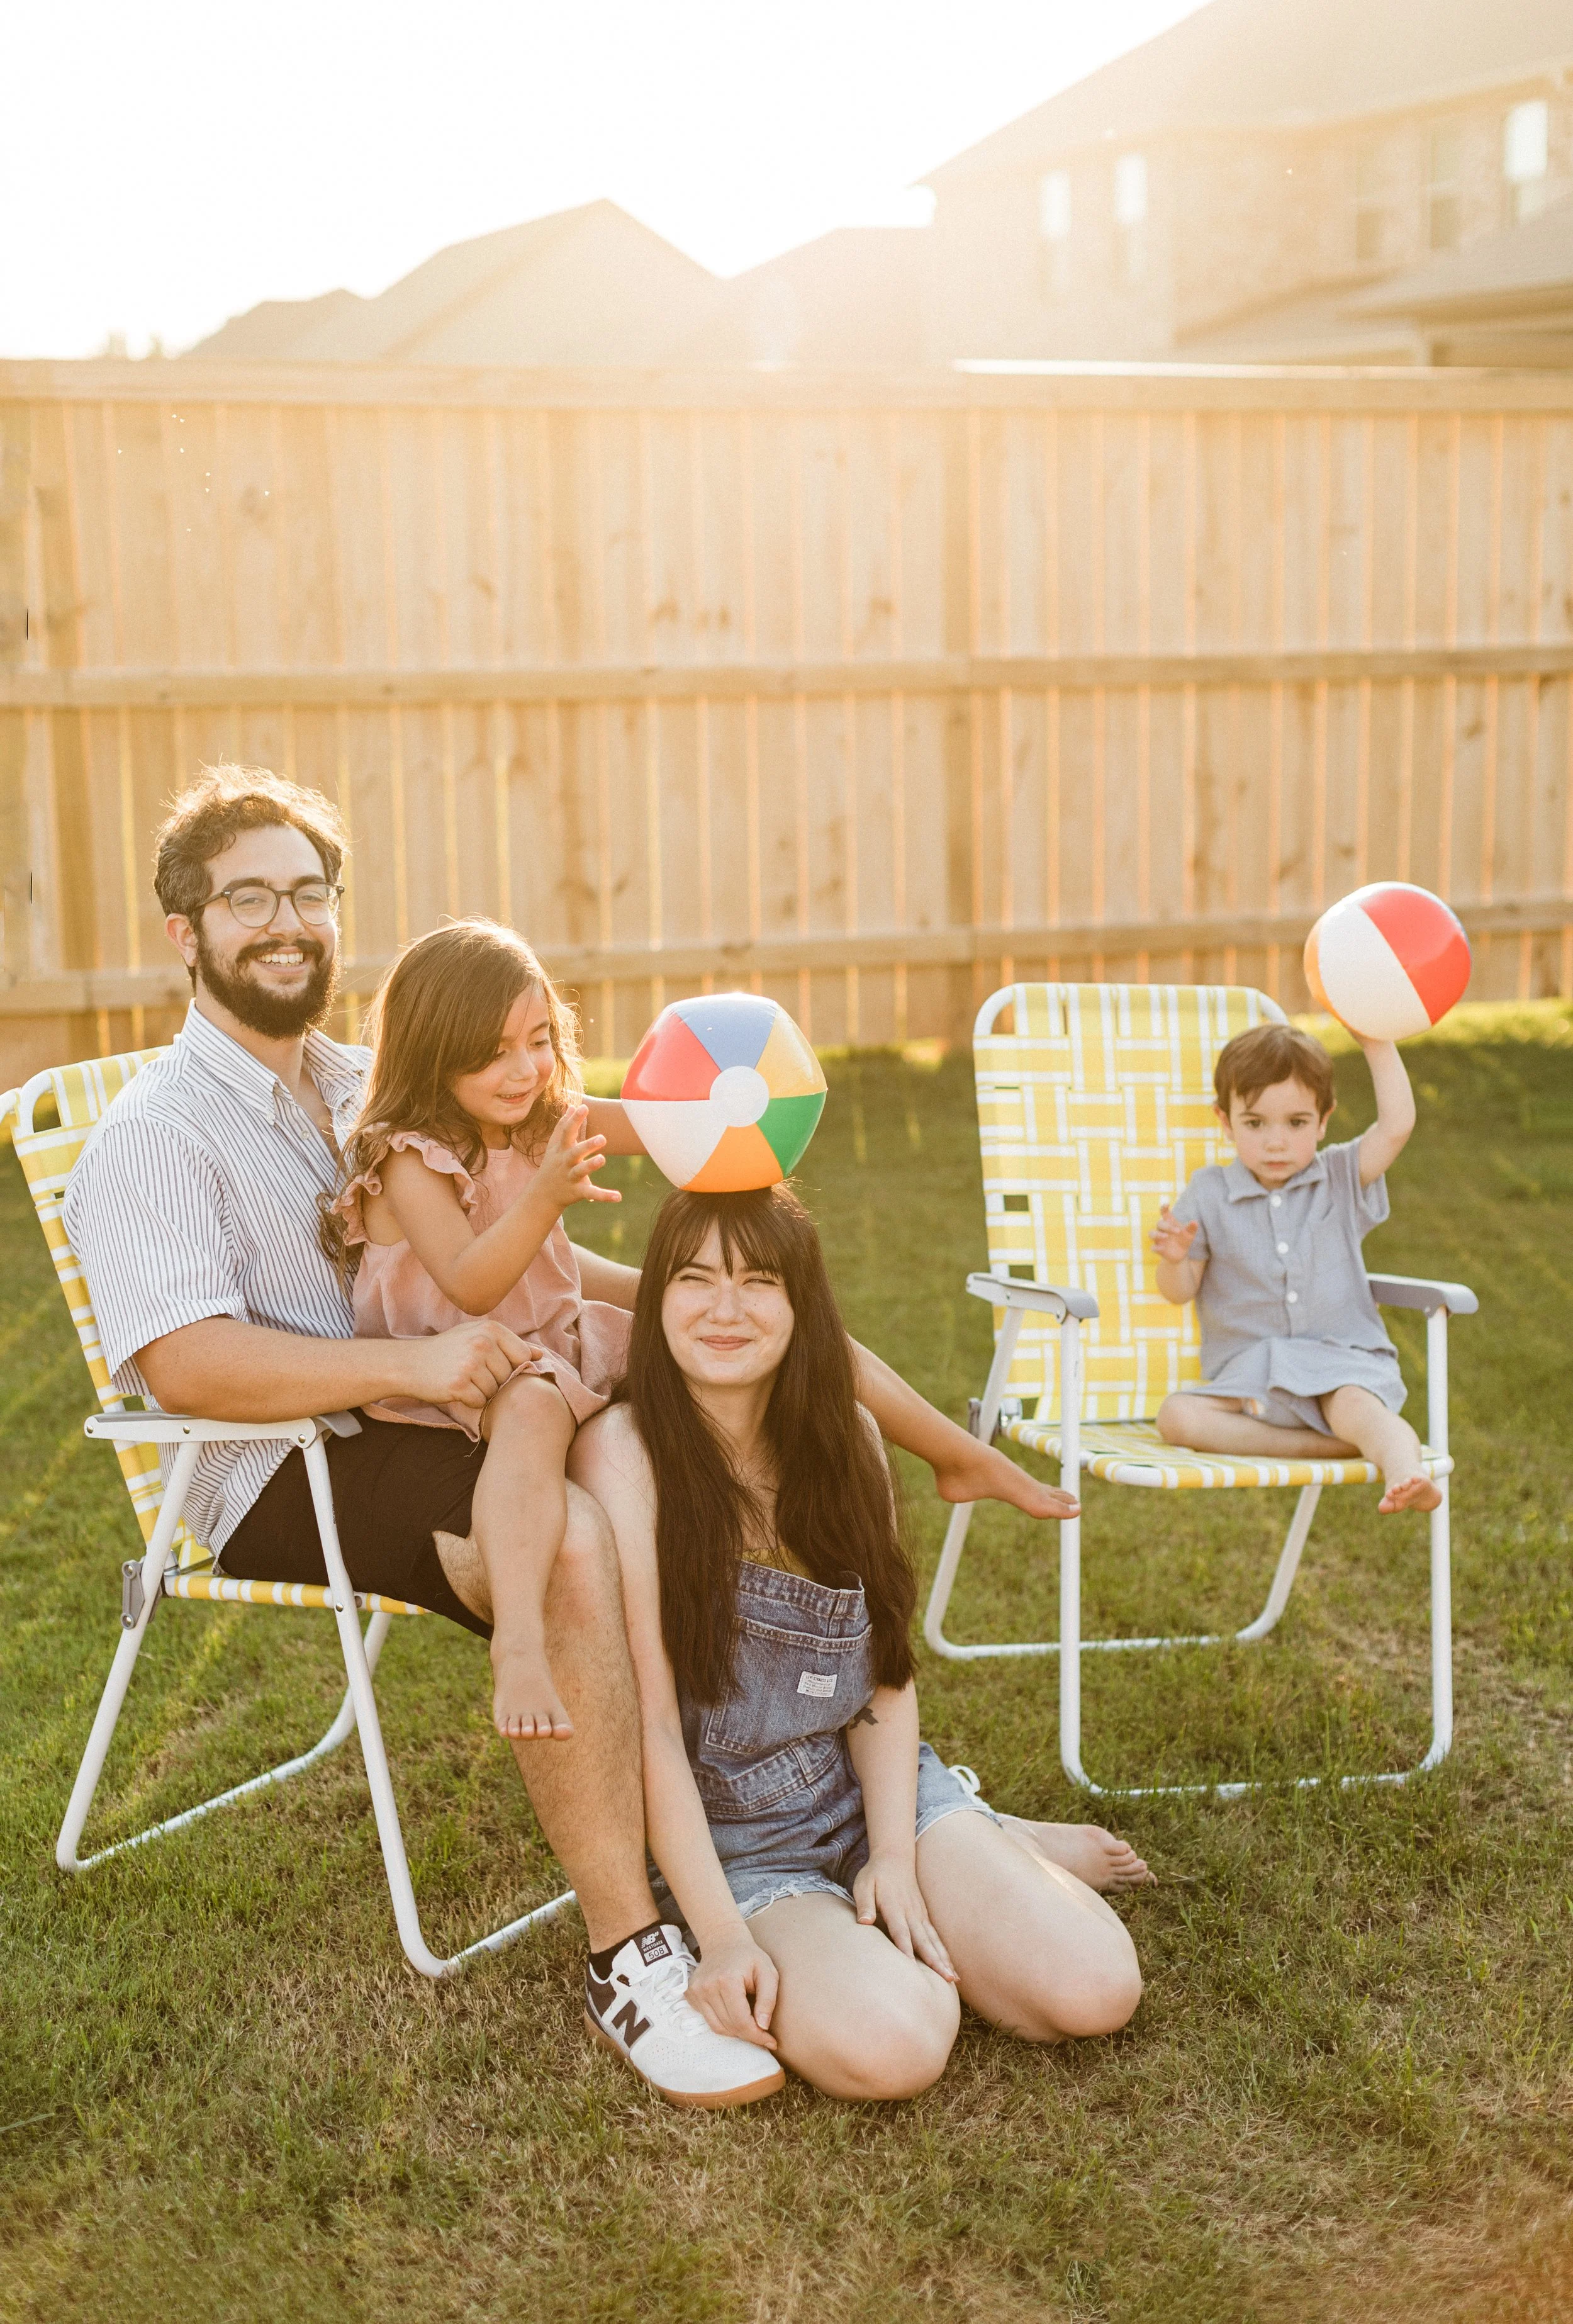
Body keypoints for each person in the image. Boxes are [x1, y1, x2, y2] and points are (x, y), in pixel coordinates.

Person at [65, 761, 1105, 2108]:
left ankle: (876, 1798)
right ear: (185, 931)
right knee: (569, 1533)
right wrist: (421, 1357)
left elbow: (535, 1218)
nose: (284, 920)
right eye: (246, 896)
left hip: (469, 1374)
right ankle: (632, 1946)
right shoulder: (153, 1133)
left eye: (307, 892)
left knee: (732, 1385)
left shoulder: (372, 1072)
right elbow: (186, 1359)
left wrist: (683, 1212)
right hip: (286, 1454)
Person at [571, 1186, 1147, 2102]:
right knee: (898, 2047)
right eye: (694, 1279)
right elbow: (645, 1733)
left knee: (1096, 1990)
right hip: (734, 1842)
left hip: (861, 1784)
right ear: (657, 1298)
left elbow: (882, 1677)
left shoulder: (850, 1440)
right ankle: (968, 1862)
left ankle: (965, 1836)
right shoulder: (623, 1455)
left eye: (758, 1281)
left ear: (804, 1309)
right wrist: (721, 1938)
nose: (725, 1308)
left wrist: (894, 1855)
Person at [329, 918, 634, 1743]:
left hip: (546, 1333)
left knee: (698, 1315)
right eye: (495, 1052)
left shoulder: (530, 1114)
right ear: (434, 1056)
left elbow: (642, 1121)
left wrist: (732, 1123)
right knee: (532, 1410)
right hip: (459, 1367)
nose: (526, 1068)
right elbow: (470, 1281)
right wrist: (546, 1196)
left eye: (539, 1040)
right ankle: (523, 1644)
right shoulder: (407, 1157)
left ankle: (946, 1449)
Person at [1150, 1020, 1441, 1513]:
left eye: (1297, 1123)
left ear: (1324, 1120)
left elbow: (1397, 1126)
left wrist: (1375, 1039)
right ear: (1226, 1121)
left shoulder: (1339, 1176)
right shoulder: (1209, 1192)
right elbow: (1179, 1291)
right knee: (1176, 1416)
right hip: (1250, 1382)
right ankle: (1329, 1448)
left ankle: (1405, 1470)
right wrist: (1175, 1259)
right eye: (1256, 1123)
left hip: (1338, 1366)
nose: (1276, 1143)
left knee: (1359, 1408)